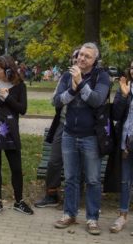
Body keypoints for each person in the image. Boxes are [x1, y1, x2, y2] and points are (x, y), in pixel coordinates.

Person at [53, 42, 110, 235]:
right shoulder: (69, 75)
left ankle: (92, 218)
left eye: (87, 56)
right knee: (71, 178)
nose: (81, 58)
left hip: (91, 136)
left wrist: (81, 83)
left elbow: (96, 100)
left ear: (95, 60)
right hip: (69, 133)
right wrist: (72, 88)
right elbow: (56, 101)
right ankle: (69, 214)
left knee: (93, 180)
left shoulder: (102, 76)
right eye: (80, 55)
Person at [0, 55, 34, 216]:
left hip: (11, 132)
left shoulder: (19, 87)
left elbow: (22, 109)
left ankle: (19, 201)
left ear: (7, 70)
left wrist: (8, 98)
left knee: (16, 168)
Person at [35, 49, 79, 208]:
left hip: (84, 127)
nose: (77, 60)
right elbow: (55, 101)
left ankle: (75, 196)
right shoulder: (66, 77)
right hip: (63, 123)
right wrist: (71, 91)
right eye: (75, 57)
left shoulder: (94, 77)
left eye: (81, 57)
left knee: (79, 162)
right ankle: (51, 194)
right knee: (54, 161)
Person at [108, 61, 133, 234]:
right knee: (125, 181)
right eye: (132, 66)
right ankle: (122, 215)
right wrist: (124, 97)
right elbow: (116, 114)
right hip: (127, 143)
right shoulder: (126, 87)